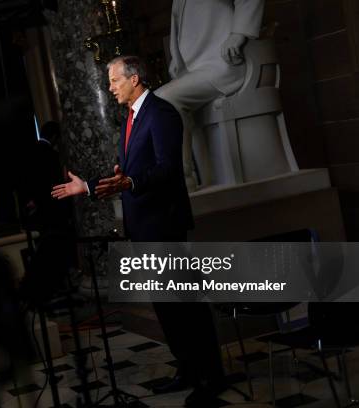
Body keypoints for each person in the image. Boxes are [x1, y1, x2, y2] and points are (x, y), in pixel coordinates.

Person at [51, 55, 226, 407]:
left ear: (135, 78)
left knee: (185, 305)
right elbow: (125, 175)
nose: (110, 87)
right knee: (166, 307)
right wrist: (87, 186)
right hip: (143, 227)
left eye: (114, 80)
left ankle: (211, 377)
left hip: (165, 225)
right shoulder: (131, 118)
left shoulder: (161, 114)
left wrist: (129, 180)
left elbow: (167, 169)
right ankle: (188, 370)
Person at [155, 0, 265, 189]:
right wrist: (177, 59)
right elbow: (178, 22)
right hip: (197, 68)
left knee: (163, 100)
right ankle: (178, 176)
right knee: (156, 102)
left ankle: (181, 178)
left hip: (225, 63)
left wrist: (239, 33)